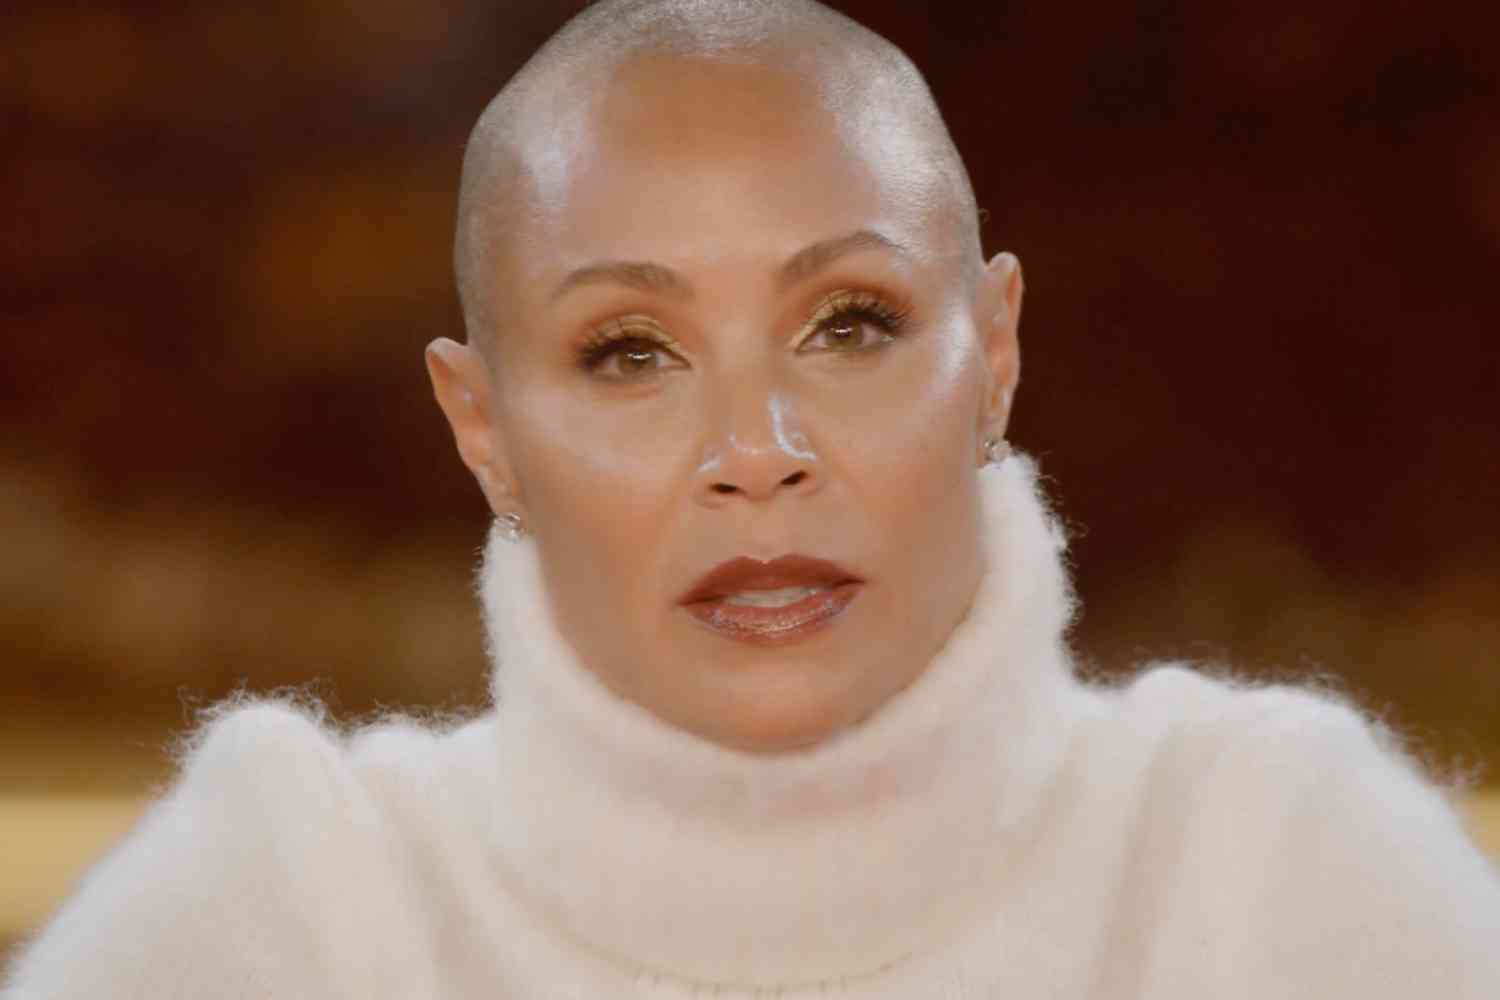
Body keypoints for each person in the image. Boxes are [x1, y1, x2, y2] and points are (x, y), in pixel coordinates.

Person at [6, 0, 1499, 995]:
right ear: (485, 429)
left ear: (993, 354)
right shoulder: (300, 912)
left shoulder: (1274, 868)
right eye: (629, 350)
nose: (757, 448)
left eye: (848, 323)